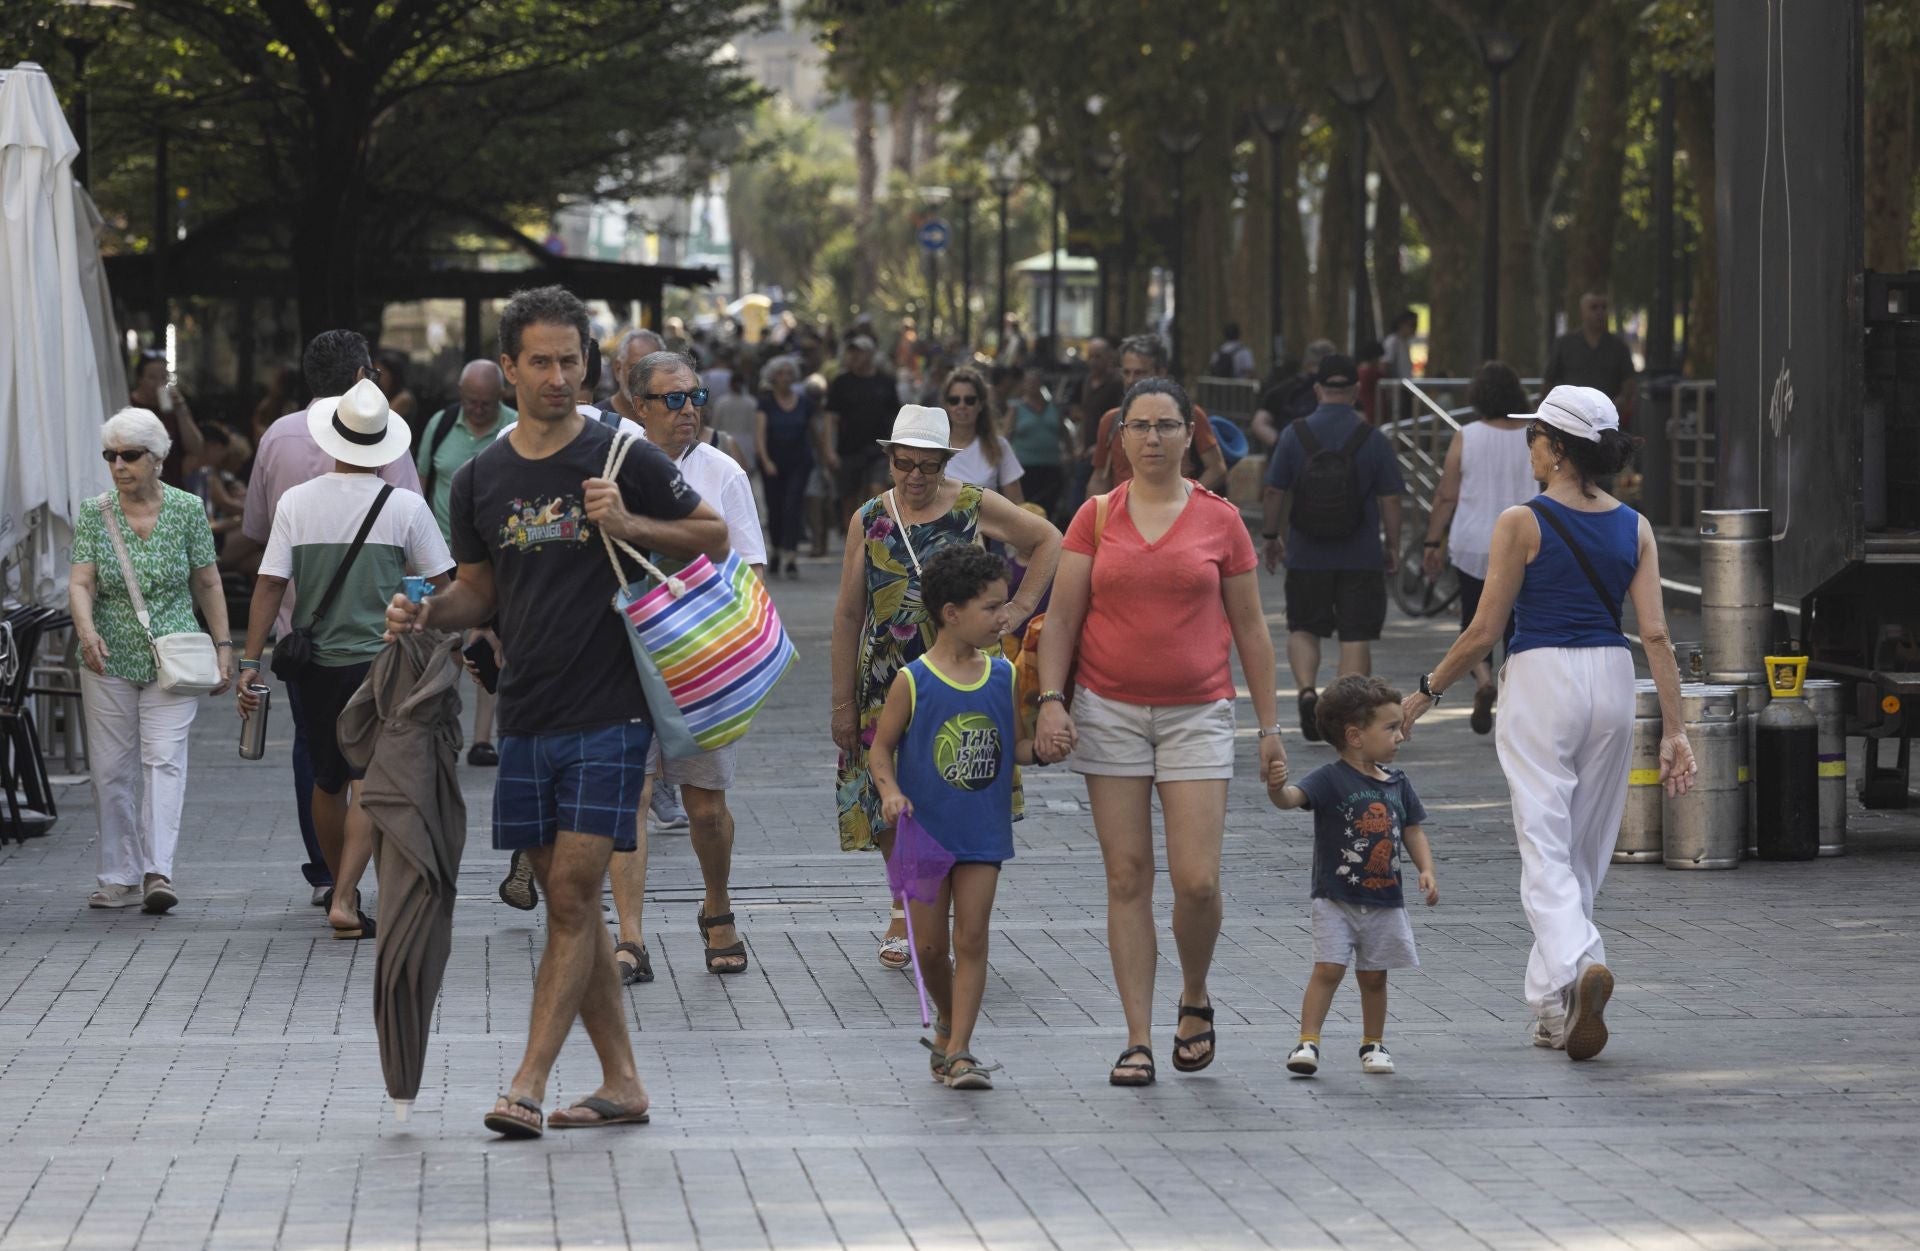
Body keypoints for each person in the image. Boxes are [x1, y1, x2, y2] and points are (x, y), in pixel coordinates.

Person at [386, 284, 729, 1137]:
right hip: (525, 714)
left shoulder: (623, 455)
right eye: (538, 361)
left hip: (613, 710)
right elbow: (478, 591)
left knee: (574, 892)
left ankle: (527, 1082)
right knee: (571, 907)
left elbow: (715, 535)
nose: (556, 375)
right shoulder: (479, 478)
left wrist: (636, 522)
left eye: (570, 360)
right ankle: (623, 1081)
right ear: (507, 369)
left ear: (588, 363)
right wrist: (427, 611)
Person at [1399, 385, 1697, 1061]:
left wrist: (1426, 690)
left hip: (1542, 680)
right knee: (1584, 852)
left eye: (1535, 436)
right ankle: (1555, 1008)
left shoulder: (1521, 521)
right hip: (1614, 678)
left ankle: (1582, 958)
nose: (1528, 446)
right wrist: (1675, 729)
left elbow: (1483, 630)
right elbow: (1654, 633)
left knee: (1544, 842)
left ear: (1557, 448)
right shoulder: (1636, 525)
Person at [1034, 377, 1285, 1086]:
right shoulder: (1096, 515)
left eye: (1165, 425)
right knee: (1128, 875)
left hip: (1197, 711)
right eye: (1138, 426)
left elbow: (1252, 629)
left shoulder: (1220, 520)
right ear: (1119, 439)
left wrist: (1270, 726)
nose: (1151, 438)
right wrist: (1053, 699)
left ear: (1189, 435)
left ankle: (1195, 992)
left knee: (1198, 881)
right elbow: (1063, 619)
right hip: (1108, 709)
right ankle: (1138, 1037)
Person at [831, 404, 1061, 968]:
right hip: (886, 675)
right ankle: (902, 905)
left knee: (953, 781)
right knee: (885, 786)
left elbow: (1050, 539)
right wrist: (841, 702)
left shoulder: (971, 505)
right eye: (903, 463)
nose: (914, 476)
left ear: (944, 463)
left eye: (927, 466)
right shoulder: (868, 518)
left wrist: (1020, 608)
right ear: (889, 459)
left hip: (961, 676)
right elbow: (846, 614)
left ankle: (947, 903)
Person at [239, 376, 453, 939]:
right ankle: (343, 897)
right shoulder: (404, 505)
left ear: (334, 443)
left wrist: (248, 661)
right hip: (380, 663)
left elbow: (267, 585)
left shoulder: (295, 503)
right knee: (371, 779)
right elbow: (444, 582)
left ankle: (343, 886)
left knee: (327, 779)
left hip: (311, 666)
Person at [608, 350, 767, 986]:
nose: (688, 410)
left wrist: (733, 650)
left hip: (699, 658)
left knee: (704, 806)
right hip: (624, 655)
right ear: (636, 406)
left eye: (694, 396)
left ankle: (717, 907)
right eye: (672, 399)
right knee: (634, 793)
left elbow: (749, 566)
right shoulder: (610, 467)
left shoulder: (722, 470)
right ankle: (630, 936)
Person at [869, 546, 1032, 1090]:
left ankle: (960, 1049)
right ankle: (945, 1018)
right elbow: (880, 750)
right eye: (991, 608)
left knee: (973, 939)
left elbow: (1022, 749)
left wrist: (1052, 740)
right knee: (933, 949)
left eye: (1004, 606)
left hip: (983, 834)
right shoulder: (913, 681)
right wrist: (890, 793)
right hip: (925, 838)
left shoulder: (1006, 675)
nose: (1003, 617)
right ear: (951, 613)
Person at [69, 408, 234, 913]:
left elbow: (207, 581)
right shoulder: (95, 512)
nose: (118, 465)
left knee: (164, 761)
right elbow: (80, 582)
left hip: (175, 656)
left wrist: (225, 646)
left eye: (130, 455)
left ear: (157, 459)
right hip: (109, 656)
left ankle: (157, 871)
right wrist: (87, 630)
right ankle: (118, 875)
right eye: (110, 455)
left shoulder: (186, 510)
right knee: (111, 770)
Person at [1267, 675, 1438, 1078]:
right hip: (1335, 898)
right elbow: (1292, 799)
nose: (1401, 735)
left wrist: (1426, 869)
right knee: (1328, 969)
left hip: (1385, 900)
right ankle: (1308, 1041)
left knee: (1374, 976)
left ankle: (1373, 1044)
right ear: (1355, 736)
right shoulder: (1329, 778)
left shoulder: (1398, 784)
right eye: (1391, 727)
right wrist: (1277, 789)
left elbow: (1413, 828)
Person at [1260, 353, 1406, 741]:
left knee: (1304, 626)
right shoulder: (1372, 438)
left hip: (1307, 553)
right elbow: (1391, 498)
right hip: (1360, 554)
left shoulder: (1295, 434)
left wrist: (1272, 537)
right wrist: (1392, 545)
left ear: (1318, 389)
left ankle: (1307, 691)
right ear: (1357, 391)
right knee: (1355, 634)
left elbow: (1275, 489)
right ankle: (1343, 716)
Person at [1421, 362, 1536, 734]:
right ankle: (1512, 694)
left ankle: (1483, 678)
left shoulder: (1466, 435)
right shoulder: (1535, 435)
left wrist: (1431, 540)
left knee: (1473, 618)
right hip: (1524, 542)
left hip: (1473, 542)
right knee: (1516, 623)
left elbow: (1446, 494)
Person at [415, 360, 511, 765]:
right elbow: (419, 486)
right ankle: (443, 729)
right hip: (441, 553)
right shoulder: (440, 425)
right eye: (470, 401)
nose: (477, 410)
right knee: (442, 644)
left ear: (501, 397)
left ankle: (482, 739)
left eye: (486, 403)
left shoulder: (514, 429)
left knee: (486, 642)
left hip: (494, 555)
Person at [1086, 334, 1228, 495]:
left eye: (1139, 372)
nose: (1131, 380)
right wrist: (1096, 514)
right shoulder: (1111, 420)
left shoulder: (1188, 414)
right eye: (1126, 372)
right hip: (1124, 514)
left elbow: (1217, 468)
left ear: (1161, 372)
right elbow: (1099, 477)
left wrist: (1188, 501)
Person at [824, 335, 899, 529]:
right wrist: (829, 450)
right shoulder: (840, 382)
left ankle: (875, 542)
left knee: (877, 493)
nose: (855, 356)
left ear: (871, 354)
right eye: (852, 351)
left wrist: (896, 447)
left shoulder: (886, 382)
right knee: (849, 500)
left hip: (879, 451)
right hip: (848, 450)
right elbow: (830, 418)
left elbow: (895, 417)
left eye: (860, 351)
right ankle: (852, 542)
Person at [756, 355, 820, 579]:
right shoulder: (766, 402)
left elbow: (814, 433)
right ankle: (775, 549)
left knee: (793, 506)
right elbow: (760, 434)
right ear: (773, 377)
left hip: (799, 461)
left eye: (788, 373)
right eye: (780, 373)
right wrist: (765, 460)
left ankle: (791, 555)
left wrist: (822, 457)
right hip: (773, 463)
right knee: (775, 509)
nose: (784, 378)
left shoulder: (804, 403)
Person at [1544, 293, 1638, 423]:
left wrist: (1621, 400)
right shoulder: (1564, 344)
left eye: (1604, 307)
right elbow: (1549, 381)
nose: (1600, 312)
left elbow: (1629, 380)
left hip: (1608, 419)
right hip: (1572, 418)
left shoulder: (1619, 346)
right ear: (1582, 312)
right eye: (1594, 307)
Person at [941, 365, 1023, 502]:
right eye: (954, 400)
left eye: (970, 400)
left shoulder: (998, 446)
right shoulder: (932, 447)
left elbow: (1018, 504)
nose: (962, 406)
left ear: (980, 404)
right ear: (947, 405)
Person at [129, 349, 204, 488]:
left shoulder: (173, 408)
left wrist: (182, 411)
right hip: (136, 488)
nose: (158, 383)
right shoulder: (129, 405)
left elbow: (196, 448)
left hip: (170, 488)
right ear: (139, 379)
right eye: (152, 377)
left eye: (163, 377)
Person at [1251, 338, 1335, 449]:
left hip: (1291, 458)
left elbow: (1259, 423)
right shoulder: (1342, 391)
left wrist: (1282, 445)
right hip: (1332, 458)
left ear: (1306, 362)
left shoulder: (1283, 389)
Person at [1005, 366, 1066, 515]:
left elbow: (1064, 432)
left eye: (1035, 381)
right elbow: (1006, 435)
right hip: (1025, 467)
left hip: (1051, 466)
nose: (1032, 385)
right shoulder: (1016, 408)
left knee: (1049, 509)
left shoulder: (1054, 407)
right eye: (1029, 382)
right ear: (1023, 385)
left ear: (1041, 384)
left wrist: (1070, 453)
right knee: (1027, 508)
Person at [707, 366, 760, 474]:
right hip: (747, 443)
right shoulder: (752, 403)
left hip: (726, 442)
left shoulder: (721, 402)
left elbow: (714, 425)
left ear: (730, 384)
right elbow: (755, 427)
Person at [1380, 310, 1418, 424]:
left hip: (1406, 388)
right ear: (1402, 324)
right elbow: (1386, 364)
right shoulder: (1392, 341)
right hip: (1397, 389)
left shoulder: (1404, 342)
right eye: (1412, 325)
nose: (1414, 329)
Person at [374, 350, 419, 423]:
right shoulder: (384, 393)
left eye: (382, 373)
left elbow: (381, 421)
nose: (377, 377)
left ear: (392, 375)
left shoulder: (404, 397)